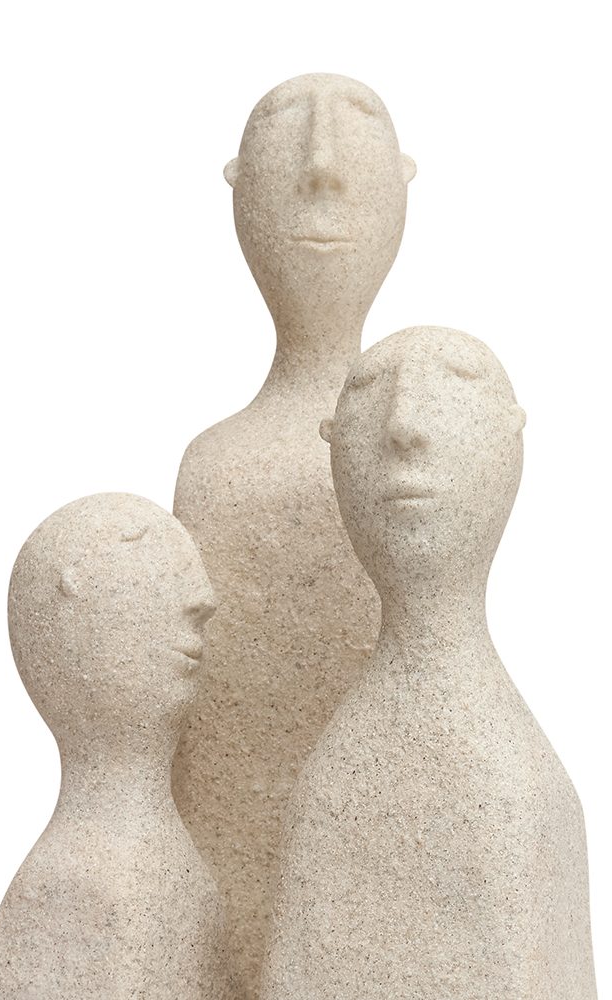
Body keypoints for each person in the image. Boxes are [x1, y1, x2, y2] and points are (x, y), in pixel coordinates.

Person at [172, 73, 417, 998]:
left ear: (403, 181)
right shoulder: (214, 470)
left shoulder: (410, 464)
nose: (321, 166)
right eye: (284, 130)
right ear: (237, 187)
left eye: (356, 129)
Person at [262, 327, 598, 1000]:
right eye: (367, 390)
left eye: (457, 383)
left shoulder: (513, 790)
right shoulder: (336, 782)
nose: (404, 424)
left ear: (511, 439)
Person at [0, 493, 231, 1000]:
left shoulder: (151, 864)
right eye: (151, 562)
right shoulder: (82, 881)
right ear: (73, 601)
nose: (204, 600)